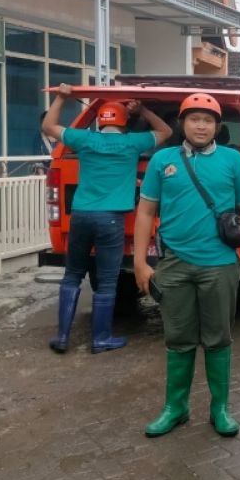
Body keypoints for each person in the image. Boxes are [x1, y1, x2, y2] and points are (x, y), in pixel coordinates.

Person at [133, 93, 240, 438]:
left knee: (219, 338)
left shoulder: (233, 161)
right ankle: (175, 408)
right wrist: (140, 262)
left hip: (220, 264)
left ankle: (219, 408)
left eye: (208, 120)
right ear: (182, 123)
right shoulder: (163, 161)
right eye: (194, 119)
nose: (201, 125)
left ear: (217, 127)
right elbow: (146, 211)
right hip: (173, 264)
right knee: (178, 338)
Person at [42, 84, 171, 354]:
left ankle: (63, 337)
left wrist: (61, 98)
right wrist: (144, 110)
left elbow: (49, 126)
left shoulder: (84, 140)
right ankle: (100, 338)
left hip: (79, 217)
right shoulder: (131, 143)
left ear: (99, 121)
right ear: (124, 123)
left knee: (73, 275)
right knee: (108, 279)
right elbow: (166, 132)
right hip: (111, 220)